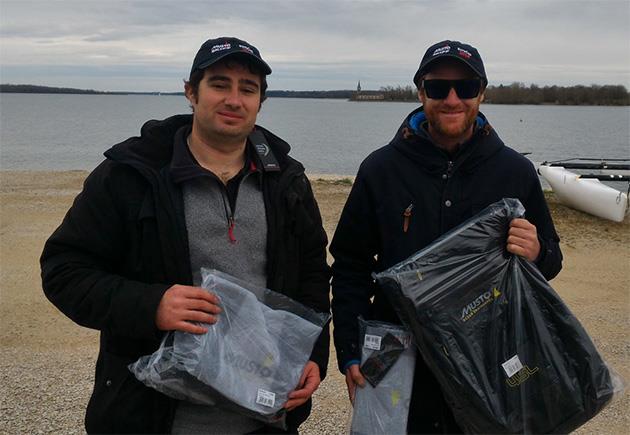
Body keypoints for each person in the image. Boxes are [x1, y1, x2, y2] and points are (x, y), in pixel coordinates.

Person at [40, 36, 330, 434]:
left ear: (260, 102)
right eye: (219, 84)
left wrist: (311, 354)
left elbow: (313, 277)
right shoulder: (130, 175)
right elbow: (63, 271)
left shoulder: (288, 182)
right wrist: (151, 304)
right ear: (191, 92)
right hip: (151, 415)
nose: (233, 99)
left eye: (248, 89)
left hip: (264, 416)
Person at [330, 40, 563, 433]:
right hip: (398, 357)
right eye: (438, 88)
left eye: (466, 87)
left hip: (491, 356)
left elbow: (552, 262)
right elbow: (351, 266)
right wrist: (350, 350)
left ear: (482, 93)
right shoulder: (380, 170)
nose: (452, 99)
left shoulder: (516, 172)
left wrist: (537, 252)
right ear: (421, 92)